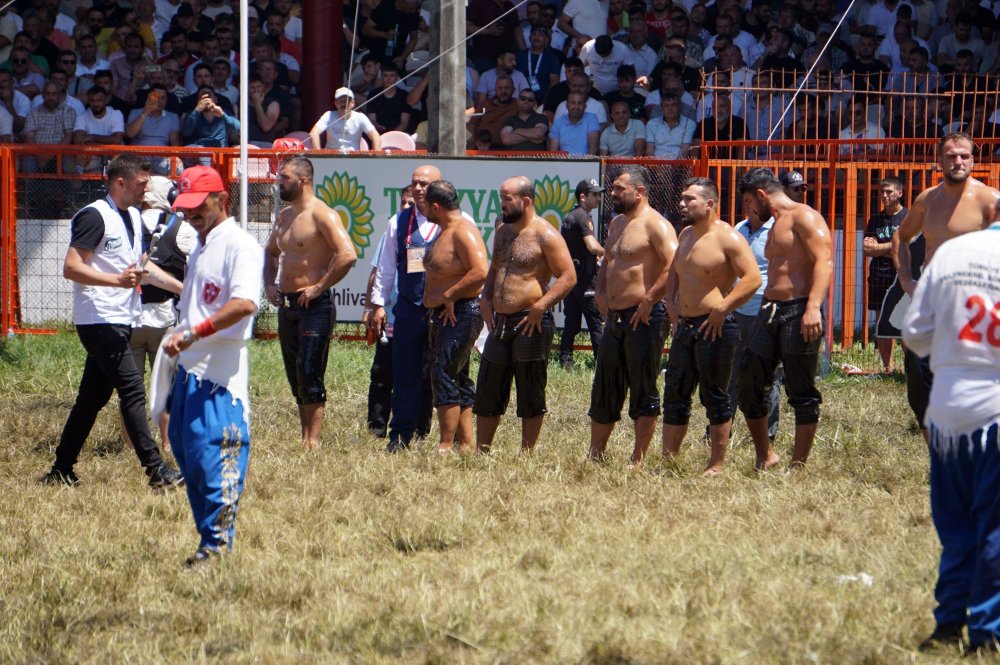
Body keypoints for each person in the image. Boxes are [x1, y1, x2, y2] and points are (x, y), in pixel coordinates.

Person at [41, 153, 183, 489]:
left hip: (121, 319)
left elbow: (141, 268)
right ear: (121, 182)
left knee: (91, 399)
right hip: (98, 319)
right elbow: (72, 267)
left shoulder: (133, 216)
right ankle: (156, 470)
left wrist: (182, 288)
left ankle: (61, 469)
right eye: (141, 183)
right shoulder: (94, 216)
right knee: (132, 391)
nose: (146, 190)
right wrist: (116, 281)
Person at [902, 213, 1000, 655]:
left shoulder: (951, 253)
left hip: (947, 408)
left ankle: (946, 627)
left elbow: (914, 333)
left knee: (957, 526)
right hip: (995, 409)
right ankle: (985, 634)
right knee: (994, 528)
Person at [156, 165, 263, 568]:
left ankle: (217, 546)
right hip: (188, 366)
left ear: (222, 199)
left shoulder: (239, 244)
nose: (190, 214)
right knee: (186, 453)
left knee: (213, 454)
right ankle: (208, 539)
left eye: (199, 206)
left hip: (220, 372)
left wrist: (194, 332)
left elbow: (244, 304)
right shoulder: (201, 243)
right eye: (185, 207)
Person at [891, 132, 1000, 443]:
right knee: (918, 373)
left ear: (973, 160)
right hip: (932, 296)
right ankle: (936, 449)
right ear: (939, 161)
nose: (958, 161)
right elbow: (902, 236)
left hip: (975, 301)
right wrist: (906, 279)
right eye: (951, 156)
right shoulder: (927, 200)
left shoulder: (989, 200)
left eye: (964, 155)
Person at [660, 178, 762, 474]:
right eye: (681, 198)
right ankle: (669, 461)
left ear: (709, 204)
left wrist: (722, 307)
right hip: (685, 326)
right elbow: (675, 272)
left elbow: (753, 278)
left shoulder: (728, 237)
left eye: (689, 199)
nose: (682, 204)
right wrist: (671, 305)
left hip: (714, 326)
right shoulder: (686, 234)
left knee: (715, 395)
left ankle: (716, 464)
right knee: (675, 392)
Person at [736, 167, 832, 470]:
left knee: (800, 389)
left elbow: (824, 262)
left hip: (800, 308)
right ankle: (766, 455)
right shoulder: (775, 224)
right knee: (749, 382)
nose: (749, 209)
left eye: (750, 202)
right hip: (770, 308)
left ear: (762, 195)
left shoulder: (805, 216)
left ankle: (798, 465)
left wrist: (814, 307)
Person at [475, 176, 576, 453]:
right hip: (500, 320)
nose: (502, 204)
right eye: (501, 197)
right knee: (488, 385)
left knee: (530, 387)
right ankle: (481, 450)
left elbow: (568, 276)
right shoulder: (503, 230)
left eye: (507, 198)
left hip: (530, 321)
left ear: (526, 201)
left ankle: (527, 452)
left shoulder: (545, 234)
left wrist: (541, 307)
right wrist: (485, 298)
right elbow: (495, 268)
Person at [264, 155, 357, 450]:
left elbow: (347, 254)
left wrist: (318, 287)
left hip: (314, 304)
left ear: (303, 181)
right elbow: (270, 252)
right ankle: (304, 434)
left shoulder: (322, 214)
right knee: (294, 370)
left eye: (285, 178)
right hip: (288, 303)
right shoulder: (284, 216)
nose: (279, 182)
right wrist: (269, 283)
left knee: (309, 368)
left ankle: (313, 440)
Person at [588, 165, 678, 465]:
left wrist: (650, 300)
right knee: (605, 386)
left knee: (642, 386)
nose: (612, 194)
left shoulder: (657, 225)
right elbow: (607, 262)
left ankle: (637, 458)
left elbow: (672, 265)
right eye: (612, 189)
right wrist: (600, 291)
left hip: (645, 317)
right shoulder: (616, 223)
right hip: (614, 316)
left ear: (639, 192)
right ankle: (596, 453)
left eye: (618, 189)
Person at [369, 164, 446, 452]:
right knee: (404, 375)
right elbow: (386, 268)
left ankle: (447, 438)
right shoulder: (398, 222)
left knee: (446, 374)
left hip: (444, 311)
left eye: (424, 183)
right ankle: (399, 436)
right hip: (409, 310)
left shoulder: (457, 221)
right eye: (414, 182)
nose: (417, 188)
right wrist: (378, 304)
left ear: (440, 185)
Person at [422, 180, 489, 453]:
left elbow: (480, 271)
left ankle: (445, 444)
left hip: (462, 312)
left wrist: (449, 294)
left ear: (435, 207)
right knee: (457, 374)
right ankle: (466, 444)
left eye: (425, 205)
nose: (423, 209)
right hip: (445, 314)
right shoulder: (444, 231)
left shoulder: (463, 231)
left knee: (444, 371)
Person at [558, 178, 605, 369]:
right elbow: (592, 246)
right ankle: (601, 363)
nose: (599, 199)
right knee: (595, 322)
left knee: (572, 322)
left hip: (571, 277)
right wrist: (608, 253)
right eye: (594, 194)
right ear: (583, 196)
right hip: (585, 279)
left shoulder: (569, 216)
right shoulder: (583, 216)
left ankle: (565, 361)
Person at [865, 176, 906, 373]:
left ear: (900, 193)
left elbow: (911, 248)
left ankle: (910, 369)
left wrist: (880, 247)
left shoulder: (908, 218)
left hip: (902, 276)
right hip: (878, 277)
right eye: (882, 191)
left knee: (905, 323)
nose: (884, 195)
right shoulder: (876, 219)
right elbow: (867, 248)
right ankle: (888, 369)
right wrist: (894, 246)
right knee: (882, 323)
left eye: (889, 192)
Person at [308, 86, 380, 151]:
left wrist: (377, 158)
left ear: (352, 103)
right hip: (331, 156)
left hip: (353, 158)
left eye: (346, 101)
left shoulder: (360, 117)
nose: (343, 104)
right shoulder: (328, 115)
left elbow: (375, 136)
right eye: (340, 101)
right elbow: (314, 133)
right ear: (335, 103)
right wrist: (319, 153)